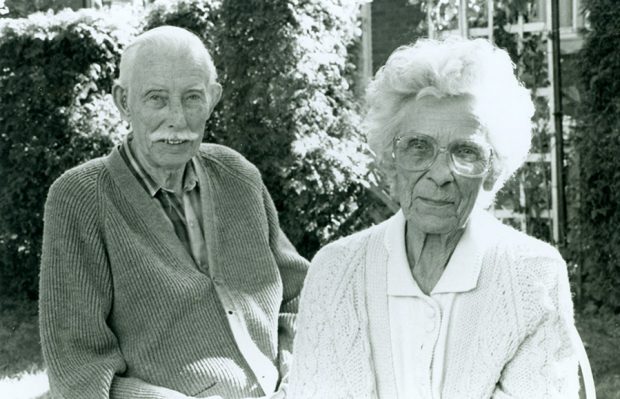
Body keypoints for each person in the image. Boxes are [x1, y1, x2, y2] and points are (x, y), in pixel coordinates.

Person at [287, 37, 592, 398]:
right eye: (418, 147)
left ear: (493, 169)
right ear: (390, 158)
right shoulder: (335, 271)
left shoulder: (532, 274)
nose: (439, 173)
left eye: (465, 151)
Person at [39, 26, 308, 399]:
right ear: (123, 101)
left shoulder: (238, 176)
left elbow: (302, 296)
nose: (177, 119)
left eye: (193, 98)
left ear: (213, 99)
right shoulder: (80, 198)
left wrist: (298, 371)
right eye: (156, 98)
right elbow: (79, 369)